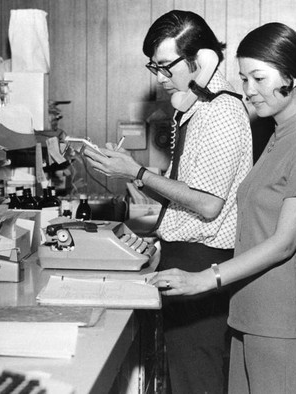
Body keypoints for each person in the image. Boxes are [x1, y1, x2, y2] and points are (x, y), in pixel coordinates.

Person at [149, 22, 296, 394]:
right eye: (243, 78)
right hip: (249, 314)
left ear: (293, 76)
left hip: (284, 324)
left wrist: (206, 277)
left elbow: (284, 242)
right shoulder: (277, 134)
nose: (249, 91)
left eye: (259, 78)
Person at [84, 10, 252, 394]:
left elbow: (208, 205)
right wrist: (126, 170)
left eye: (165, 66)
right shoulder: (195, 108)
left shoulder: (221, 112)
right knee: (182, 377)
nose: (159, 77)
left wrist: (137, 174)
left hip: (203, 262)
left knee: (197, 380)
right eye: (153, 67)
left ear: (202, 59)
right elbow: (191, 191)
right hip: (184, 254)